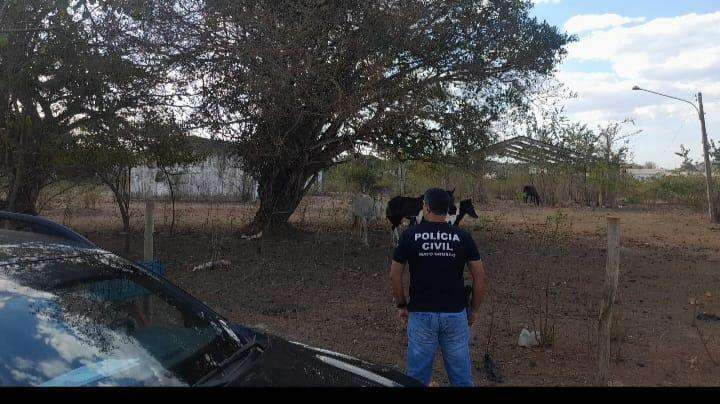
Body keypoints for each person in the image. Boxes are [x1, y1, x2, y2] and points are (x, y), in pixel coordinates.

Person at [389, 187, 486, 387]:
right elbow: (479, 276)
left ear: (426, 207)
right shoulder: (462, 236)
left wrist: (401, 305)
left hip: (421, 315)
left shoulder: (410, 235)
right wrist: (474, 309)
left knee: (416, 379)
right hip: (455, 316)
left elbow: (394, 274)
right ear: (448, 209)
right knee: (461, 379)